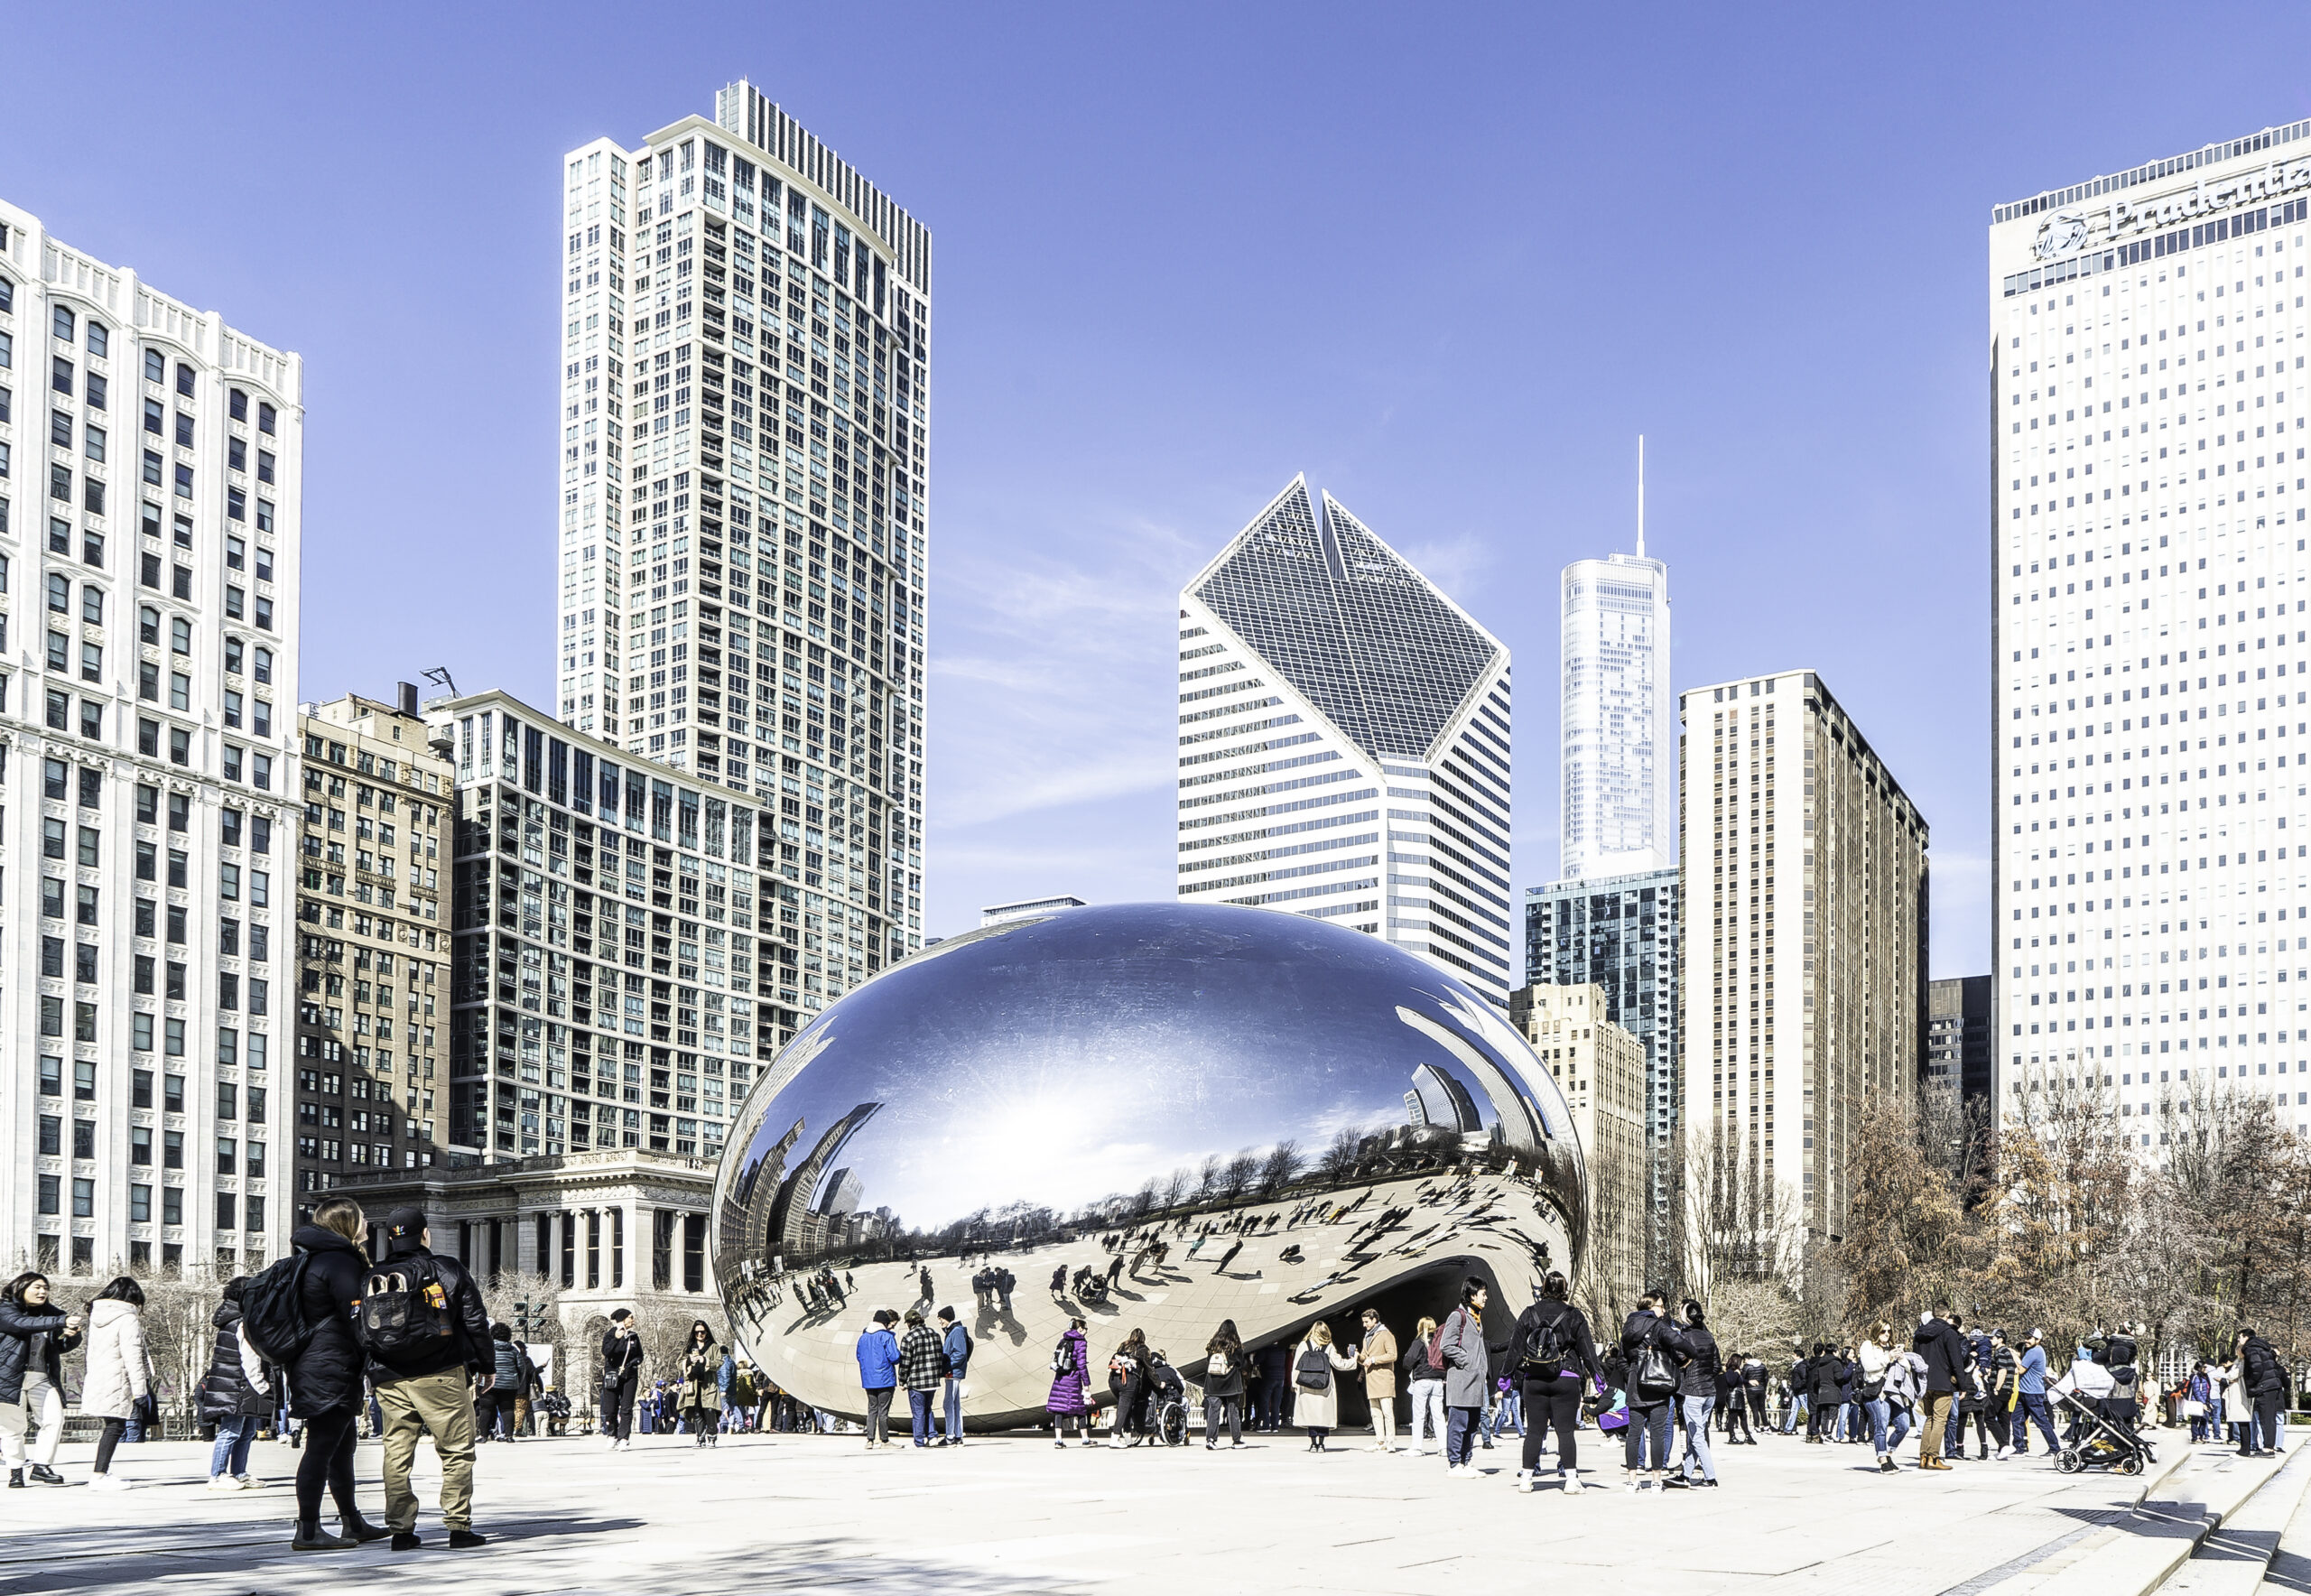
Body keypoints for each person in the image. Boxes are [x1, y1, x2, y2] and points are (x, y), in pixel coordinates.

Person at [365, 1206, 494, 1552]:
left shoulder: (375, 1276)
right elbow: (474, 1320)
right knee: (455, 1451)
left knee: (396, 1452)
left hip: (388, 1377)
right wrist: (486, 1365)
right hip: (441, 1373)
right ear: (426, 1235)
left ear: (391, 1238)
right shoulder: (445, 1268)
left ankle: (402, 1531)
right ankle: (458, 1527)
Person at [285, 1197, 392, 1550]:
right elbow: (359, 1316)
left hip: (316, 1363)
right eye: (362, 1218)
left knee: (342, 1446)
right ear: (347, 1224)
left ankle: (352, 1521)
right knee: (321, 1447)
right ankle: (309, 1529)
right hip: (330, 1365)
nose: (366, 1224)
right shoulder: (339, 1262)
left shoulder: (310, 1258)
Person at [1509, 1268, 1604, 1493]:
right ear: (1564, 1290)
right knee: (1565, 1431)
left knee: (1534, 1431)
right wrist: (1600, 1381)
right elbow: (1588, 1352)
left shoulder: (1529, 1313)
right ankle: (1571, 1479)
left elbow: (1515, 1349)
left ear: (1543, 1289)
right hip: (1566, 1377)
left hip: (1534, 1379)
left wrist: (1505, 1379)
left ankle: (1527, 1478)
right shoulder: (1574, 1315)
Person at [0, 1273, 80, 1489]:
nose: (42, 1292)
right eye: (37, 1287)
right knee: (13, 1428)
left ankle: (41, 1466)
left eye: (45, 1288)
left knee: (53, 1419)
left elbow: (60, 1347)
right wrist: (59, 1321)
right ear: (21, 1287)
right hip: (8, 1377)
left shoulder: (51, 1314)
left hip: (41, 1378)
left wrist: (72, 1335)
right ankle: (16, 1471)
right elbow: (20, 1324)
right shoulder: (5, 1309)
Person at [199, 1276, 273, 1490]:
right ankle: (217, 1474)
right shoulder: (241, 1322)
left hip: (237, 1383)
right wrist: (261, 1385)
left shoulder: (232, 1318)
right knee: (231, 1431)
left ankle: (239, 1472)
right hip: (237, 1384)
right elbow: (249, 1357)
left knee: (247, 1431)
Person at [80, 1277, 154, 1491]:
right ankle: (99, 1474)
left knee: (112, 1425)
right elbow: (132, 1355)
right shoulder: (126, 1318)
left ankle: (101, 1473)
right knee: (115, 1426)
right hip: (117, 1377)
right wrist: (140, 1390)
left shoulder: (97, 1316)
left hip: (99, 1375)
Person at [1620, 1291, 1694, 1492]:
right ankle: (1656, 1480)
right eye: (1661, 1306)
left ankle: (1632, 1479)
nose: (1664, 1310)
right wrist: (1692, 1355)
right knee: (1658, 1433)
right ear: (1650, 1307)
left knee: (1634, 1433)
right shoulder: (1659, 1326)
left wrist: (1635, 1372)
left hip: (1635, 1386)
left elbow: (1621, 1359)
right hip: (1659, 1384)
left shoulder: (1628, 1327)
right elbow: (1680, 1344)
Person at [1440, 1278, 1492, 1477]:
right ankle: (1454, 1464)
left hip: (1476, 1379)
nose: (1485, 1297)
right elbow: (1446, 1345)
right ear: (1472, 1295)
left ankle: (1466, 1460)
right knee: (1459, 1422)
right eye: (1483, 1293)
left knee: (1472, 1424)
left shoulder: (1477, 1317)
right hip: (1461, 1378)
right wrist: (1466, 1360)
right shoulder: (1458, 1316)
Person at [1668, 1299, 1721, 1489]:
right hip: (1709, 1392)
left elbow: (1680, 1359)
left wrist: (1687, 1372)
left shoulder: (1685, 1336)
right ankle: (1686, 1474)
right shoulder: (1708, 1336)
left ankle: (1710, 1477)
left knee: (1697, 1437)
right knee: (1696, 1435)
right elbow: (1717, 1366)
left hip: (1693, 1391)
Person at [1912, 1304, 1968, 1471]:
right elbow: (1956, 1360)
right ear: (1947, 1315)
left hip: (1925, 1382)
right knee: (1940, 1420)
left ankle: (1923, 1456)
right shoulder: (1949, 1333)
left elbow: (1915, 1359)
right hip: (1944, 1381)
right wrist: (1962, 1384)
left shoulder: (1919, 1334)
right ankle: (1934, 1457)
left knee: (1929, 1418)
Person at [1290, 1322, 1357, 1452]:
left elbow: (1296, 1366)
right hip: (1324, 1384)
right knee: (1323, 1415)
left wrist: (1294, 1384)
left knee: (1311, 1416)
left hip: (1306, 1384)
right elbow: (1339, 1364)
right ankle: (1321, 1444)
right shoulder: (1329, 1347)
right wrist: (1354, 1360)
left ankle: (1313, 1444)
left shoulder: (1304, 1345)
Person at [898, 1310, 946, 1448]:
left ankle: (919, 1440)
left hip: (917, 1381)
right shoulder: (934, 1334)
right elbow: (940, 1356)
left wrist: (902, 1381)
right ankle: (932, 1436)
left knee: (918, 1412)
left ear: (909, 1323)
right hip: (932, 1381)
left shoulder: (909, 1338)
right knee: (928, 1409)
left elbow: (905, 1362)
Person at [2240, 1326, 2288, 1457]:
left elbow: (2256, 1368)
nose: (2239, 1340)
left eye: (2240, 1337)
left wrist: (2250, 1383)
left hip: (2264, 1386)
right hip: (2272, 1385)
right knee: (2270, 1418)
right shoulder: (2262, 1347)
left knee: (2265, 1418)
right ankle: (2269, 1446)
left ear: (2246, 1337)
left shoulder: (2250, 1348)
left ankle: (2268, 1448)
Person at [856, 1309, 900, 1450]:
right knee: (883, 1411)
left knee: (872, 1409)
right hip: (885, 1378)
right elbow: (894, 1357)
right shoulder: (885, 1336)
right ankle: (885, 1440)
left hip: (868, 1379)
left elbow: (858, 1356)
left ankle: (870, 1440)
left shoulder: (863, 1337)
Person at [1857, 1322, 1898, 1474]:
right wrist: (1888, 1358)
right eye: (1883, 1331)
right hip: (1875, 1390)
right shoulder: (1868, 1345)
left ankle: (1888, 1453)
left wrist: (1900, 1357)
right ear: (1876, 1331)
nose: (1887, 1334)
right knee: (1881, 1423)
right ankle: (1882, 1459)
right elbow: (1868, 1366)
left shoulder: (1892, 1347)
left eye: (1889, 1331)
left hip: (1893, 1391)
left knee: (1904, 1425)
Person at [599, 1309, 644, 1450]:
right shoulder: (610, 1334)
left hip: (629, 1375)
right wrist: (616, 1339)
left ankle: (624, 1438)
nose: (633, 1320)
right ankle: (612, 1434)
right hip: (612, 1374)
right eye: (630, 1318)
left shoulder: (633, 1336)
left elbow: (639, 1356)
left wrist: (632, 1364)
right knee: (610, 1408)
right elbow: (606, 1351)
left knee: (626, 1408)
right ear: (622, 1319)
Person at [1357, 1307, 1399, 1452]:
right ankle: (1379, 1440)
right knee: (1375, 1412)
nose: (1364, 1325)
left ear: (1375, 1320)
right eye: (1363, 1322)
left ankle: (1390, 1441)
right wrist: (1357, 1356)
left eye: (1366, 1322)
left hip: (1384, 1377)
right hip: (1371, 1379)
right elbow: (1364, 1357)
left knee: (1387, 1411)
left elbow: (1393, 1355)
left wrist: (1374, 1359)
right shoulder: (1366, 1336)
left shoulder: (1386, 1334)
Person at [1046, 1315, 1092, 1447]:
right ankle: (1085, 1439)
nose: (1086, 1331)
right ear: (1079, 1328)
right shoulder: (1081, 1342)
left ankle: (1058, 1440)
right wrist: (1086, 1383)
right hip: (1073, 1379)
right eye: (1085, 1329)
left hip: (1060, 1379)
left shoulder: (1063, 1340)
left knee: (1059, 1409)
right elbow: (1082, 1364)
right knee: (1081, 1409)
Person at [1405, 1314, 1447, 1455]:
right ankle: (1444, 1448)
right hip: (1438, 1381)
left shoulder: (1418, 1342)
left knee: (1419, 1415)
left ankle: (1416, 1447)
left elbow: (1408, 1361)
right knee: (1439, 1416)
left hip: (1422, 1381)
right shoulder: (1440, 1342)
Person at [1202, 1320, 1247, 1450]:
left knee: (1213, 1411)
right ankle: (1236, 1440)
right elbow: (1240, 1363)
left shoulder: (1213, 1344)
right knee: (1233, 1411)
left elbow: (1208, 1360)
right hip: (1231, 1383)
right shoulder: (1235, 1346)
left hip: (1213, 1382)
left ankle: (1211, 1439)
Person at [678, 1322, 723, 1448]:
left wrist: (705, 1360)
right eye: (697, 1332)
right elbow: (678, 1363)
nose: (700, 1334)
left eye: (702, 1332)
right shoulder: (688, 1347)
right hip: (693, 1384)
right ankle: (700, 1437)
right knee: (697, 1411)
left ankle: (712, 1436)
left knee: (709, 1409)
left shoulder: (713, 1347)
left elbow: (719, 1362)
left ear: (706, 1332)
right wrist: (688, 1360)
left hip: (709, 1384)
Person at [2014, 1329, 2058, 1457]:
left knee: (2041, 1421)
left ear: (2037, 1340)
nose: (2026, 1341)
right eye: (2026, 1337)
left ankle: (2054, 1447)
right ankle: (2019, 1447)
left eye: (2030, 1338)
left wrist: (2014, 1356)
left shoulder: (2035, 1351)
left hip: (2032, 1393)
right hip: (2024, 1391)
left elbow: (2021, 1369)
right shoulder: (2033, 1351)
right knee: (2017, 1419)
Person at [481, 1324, 524, 1443]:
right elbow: (521, 1368)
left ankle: (483, 1436)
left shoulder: (486, 1348)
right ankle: (509, 1436)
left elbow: (480, 1364)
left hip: (489, 1383)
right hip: (509, 1385)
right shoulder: (514, 1351)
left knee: (486, 1409)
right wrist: (516, 1382)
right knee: (507, 1409)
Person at [937, 1306, 972, 1446]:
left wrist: (947, 1366)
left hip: (953, 1372)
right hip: (953, 1372)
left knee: (948, 1404)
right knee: (954, 1404)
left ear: (947, 1318)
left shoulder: (956, 1331)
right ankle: (957, 1435)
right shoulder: (954, 1330)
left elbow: (960, 1353)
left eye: (941, 1319)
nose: (940, 1322)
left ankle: (950, 1436)